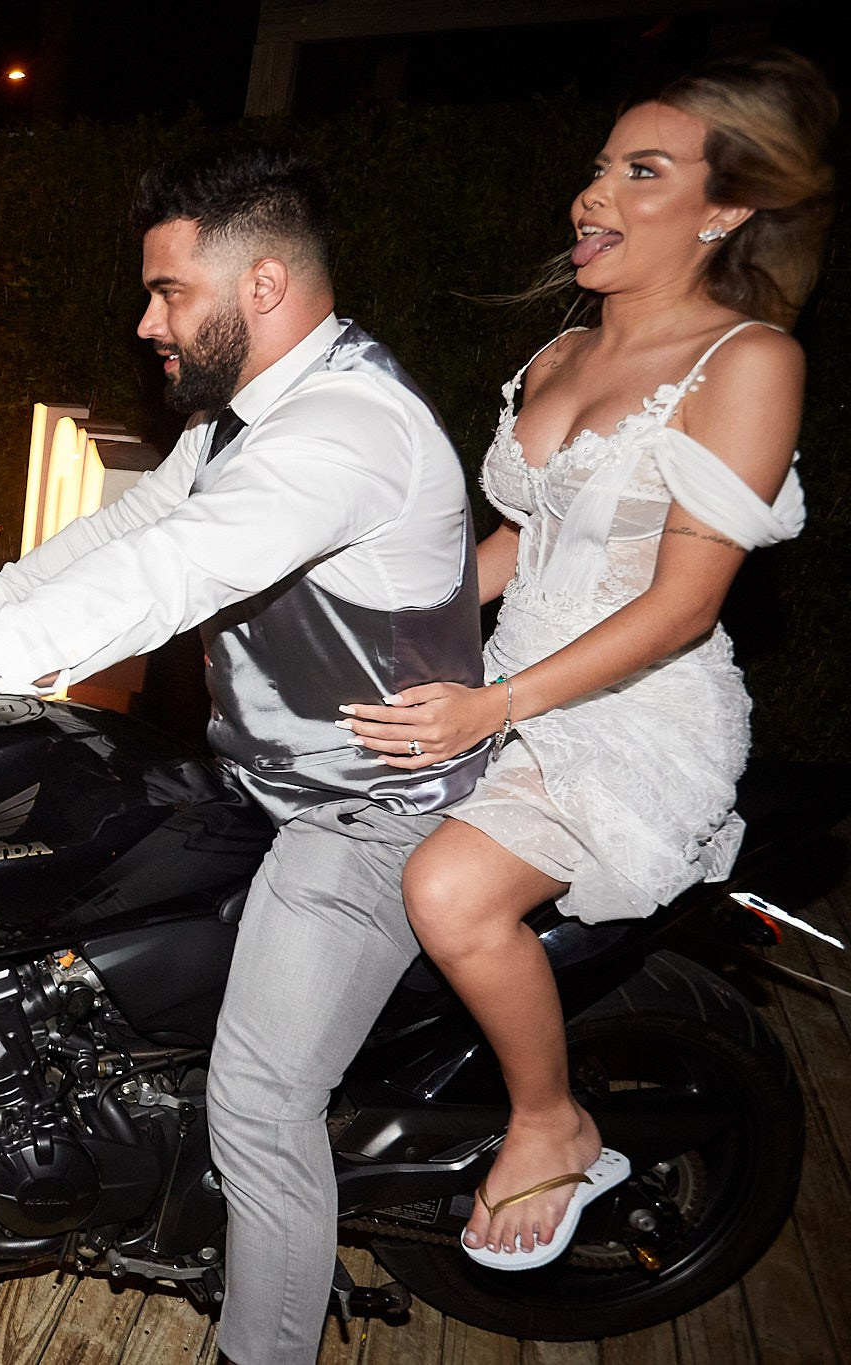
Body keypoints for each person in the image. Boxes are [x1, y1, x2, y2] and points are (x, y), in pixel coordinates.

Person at [0, 146, 486, 1364]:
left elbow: (176, 571)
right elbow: (129, 527)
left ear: (265, 284)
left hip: (362, 813)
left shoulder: (343, 430)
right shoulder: (250, 417)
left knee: (259, 1098)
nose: (145, 321)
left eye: (169, 291)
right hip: (256, 777)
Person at [343, 49, 829, 1271]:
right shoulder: (560, 354)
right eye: (597, 166)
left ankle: (552, 1118)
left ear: (724, 212)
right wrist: (372, 621)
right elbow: (523, 538)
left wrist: (490, 704)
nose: (592, 195)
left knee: (449, 892)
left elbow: (677, 606)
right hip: (502, 679)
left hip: (632, 709)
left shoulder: (749, 363)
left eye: (640, 171)